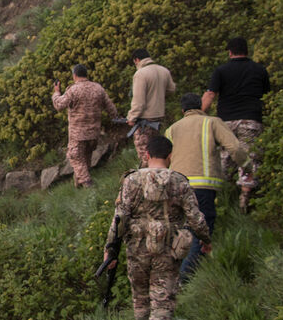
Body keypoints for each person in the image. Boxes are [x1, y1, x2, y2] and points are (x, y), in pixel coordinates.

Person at [104, 136, 211, 320]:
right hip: (167, 251)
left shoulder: (131, 181)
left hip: (137, 249)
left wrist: (110, 249)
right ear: (170, 155)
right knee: (162, 304)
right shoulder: (180, 182)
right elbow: (195, 218)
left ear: (147, 154)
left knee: (140, 303)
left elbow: (119, 218)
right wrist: (205, 239)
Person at [164, 93, 250, 281]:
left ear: (182, 111)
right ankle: (184, 279)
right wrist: (248, 166)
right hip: (201, 187)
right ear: (202, 108)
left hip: (174, 186)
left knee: (179, 231)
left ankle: (169, 276)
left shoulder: (171, 129)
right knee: (200, 231)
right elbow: (234, 148)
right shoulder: (212, 122)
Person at [201, 37, 270, 211]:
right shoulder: (260, 70)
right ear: (247, 51)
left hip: (227, 121)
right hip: (251, 119)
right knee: (250, 158)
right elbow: (267, 96)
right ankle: (245, 197)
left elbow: (210, 95)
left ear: (229, 52)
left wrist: (199, 114)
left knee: (225, 156)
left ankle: (223, 195)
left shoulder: (221, 71)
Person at [51, 64, 119, 187]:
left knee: (75, 158)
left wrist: (56, 93)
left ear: (74, 75)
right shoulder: (98, 88)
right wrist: (116, 118)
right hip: (94, 133)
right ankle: (79, 188)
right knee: (85, 161)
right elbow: (111, 108)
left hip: (78, 135)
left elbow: (59, 105)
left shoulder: (73, 90)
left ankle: (89, 185)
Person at [127, 48, 176, 167]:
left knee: (145, 154)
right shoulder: (163, 70)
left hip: (144, 120)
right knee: (157, 151)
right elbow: (171, 89)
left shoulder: (141, 74)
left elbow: (138, 100)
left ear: (137, 60)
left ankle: (145, 178)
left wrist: (132, 117)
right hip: (159, 117)